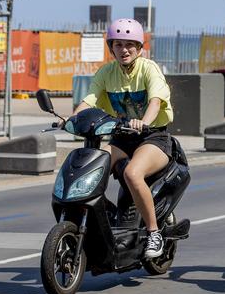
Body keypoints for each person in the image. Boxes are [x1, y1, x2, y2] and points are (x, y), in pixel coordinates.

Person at [73, 18, 173, 258]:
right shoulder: (107, 72)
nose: (124, 50)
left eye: (130, 44)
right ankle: (102, 219)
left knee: (132, 173)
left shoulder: (149, 68)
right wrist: (70, 119)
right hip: (122, 138)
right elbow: (90, 100)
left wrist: (144, 122)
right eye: (118, 44)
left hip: (153, 137)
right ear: (111, 47)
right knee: (88, 169)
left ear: (140, 48)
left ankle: (153, 233)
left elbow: (155, 101)